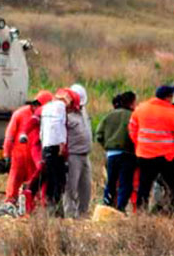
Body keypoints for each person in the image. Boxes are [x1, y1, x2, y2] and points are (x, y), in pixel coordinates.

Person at [128, 85, 174, 212]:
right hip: (166, 157)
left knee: (144, 186)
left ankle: (140, 211)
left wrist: (140, 146)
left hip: (144, 156)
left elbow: (132, 130)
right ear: (168, 97)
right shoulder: (173, 113)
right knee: (170, 185)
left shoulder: (141, 109)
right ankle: (169, 210)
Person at [3, 91, 54, 210]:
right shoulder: (20, 114)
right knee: (14, 180)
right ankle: (10, 203)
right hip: (18, 156)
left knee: (33, 183)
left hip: (33, 156)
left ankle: (31, 206)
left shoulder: (44, 117)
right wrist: (6, 153)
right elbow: (10, 135)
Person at [27, 88, 72, 215]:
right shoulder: (40, 114)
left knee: (52, 179)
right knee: (46, 177)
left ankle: (45, 204)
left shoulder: (45, 116)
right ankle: (33, 200)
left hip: (44, 149)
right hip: (40, 150)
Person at [96, 91, 136, 210]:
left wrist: (107, 146)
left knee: (111, 183)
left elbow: (98, 134)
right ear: (131, 103)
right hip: (127, 154)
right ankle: (120, 208)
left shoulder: (109, 116)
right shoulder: (132, 116)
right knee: (125, 183)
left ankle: (107, 205)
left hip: (111, 155)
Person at [64, 84, 93, 219]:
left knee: (86, 187)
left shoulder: (83, 111)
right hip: (73, 155)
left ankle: (83, 214)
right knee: (71, 187)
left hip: (85, 154)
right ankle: (70, 215)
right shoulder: (65, 113)